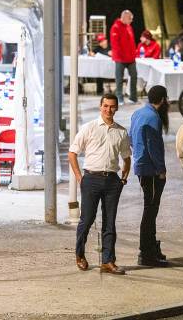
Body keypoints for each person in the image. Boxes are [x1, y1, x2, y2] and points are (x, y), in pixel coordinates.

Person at [68, 93, 132, 275]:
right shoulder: (89, 128)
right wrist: (80, 178)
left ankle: (108, 261)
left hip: (112, 181)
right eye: (105, 106)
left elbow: (127, 159)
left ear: (116, 108)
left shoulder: (121, 132)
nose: (108, 110)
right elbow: (72, 153)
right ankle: (80, 255)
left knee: (109, 222)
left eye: (112, 107)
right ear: (100, 106)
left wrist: (123, 179)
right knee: (86, 220)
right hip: (91, 179)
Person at [129, 85, 170, 267]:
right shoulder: (154, 118)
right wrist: (161, 169)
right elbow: (154, 147)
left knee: (150, 209)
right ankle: (146, 253)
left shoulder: (138, 113)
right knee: (150, 211)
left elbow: (130, 137)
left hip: (141, 166)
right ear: (162, 100)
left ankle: (150, 248)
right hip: (151, 170)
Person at [110, 10, 138, 105]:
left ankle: (133, 98)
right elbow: (115, 44)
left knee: (134, 76)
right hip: (120, 59)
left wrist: (134, 54)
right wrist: (120, 56)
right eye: (130, 18)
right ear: (125, 17)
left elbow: (132, 42)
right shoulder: (115, 27)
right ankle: (119, 98)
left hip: (131, 58)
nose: (131, 20)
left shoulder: (129, 27)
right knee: (119, 79)